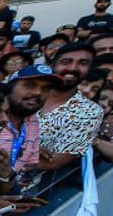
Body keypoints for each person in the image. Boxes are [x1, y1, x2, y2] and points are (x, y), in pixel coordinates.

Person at [36, 42, 104, 171]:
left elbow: (54, 162)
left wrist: (21, 152)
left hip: (26, 185)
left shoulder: (89, 112)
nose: (73, 68)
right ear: (53, 64)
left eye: (83, 63)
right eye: (66, 61)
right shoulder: (29, 92)